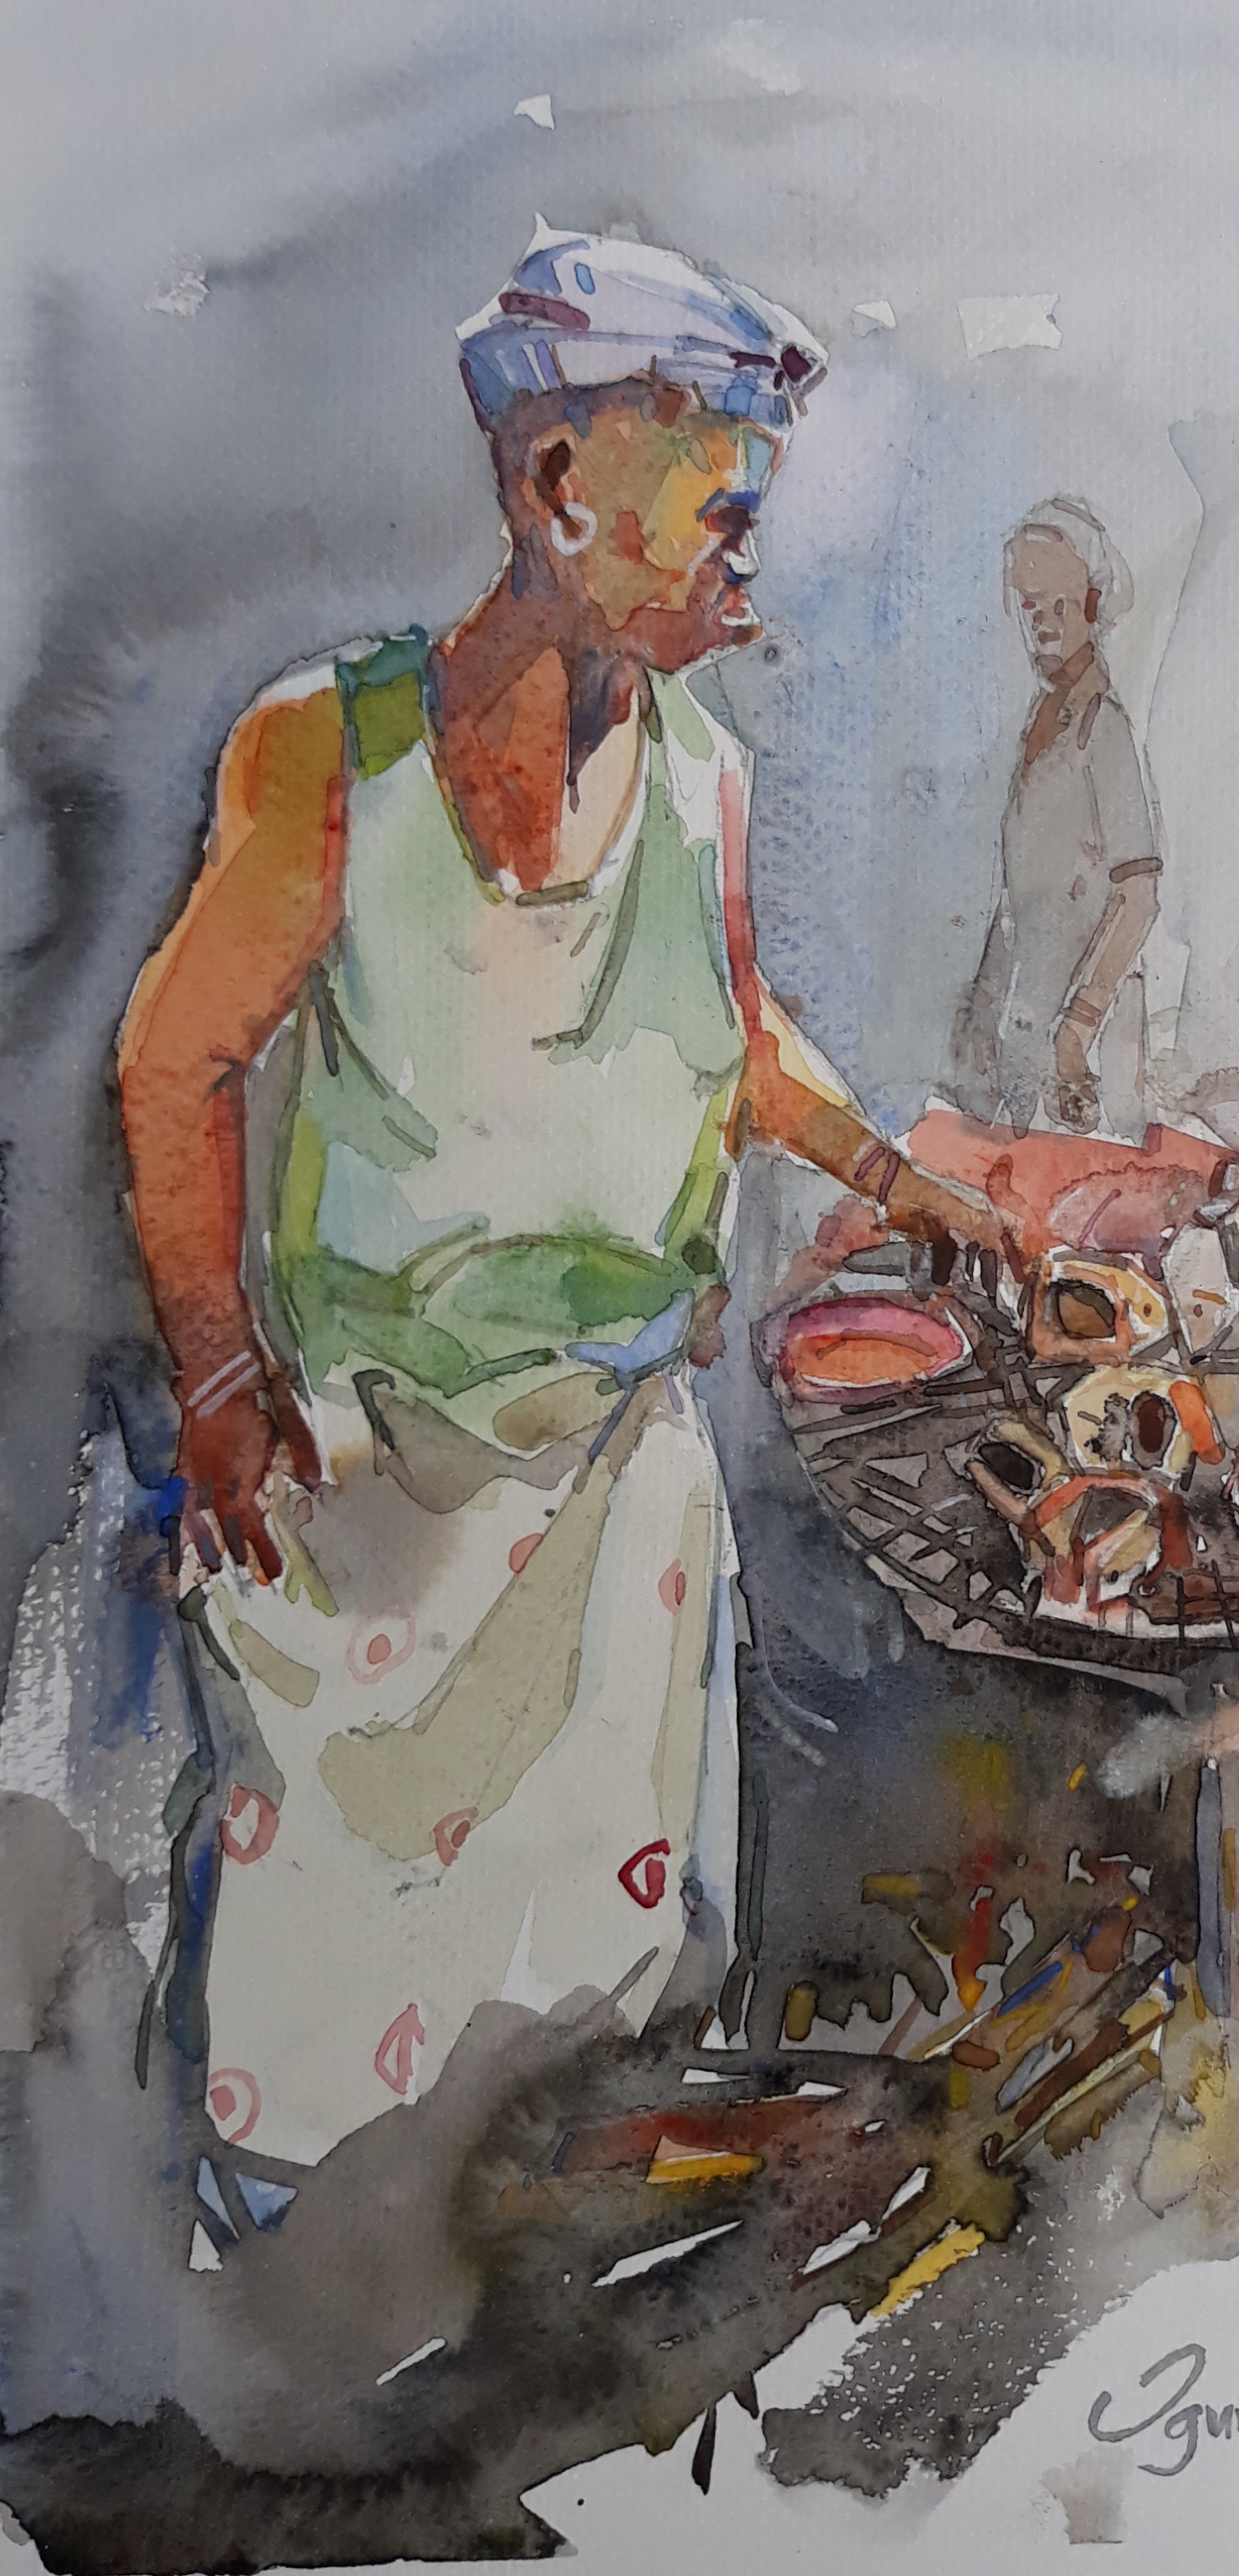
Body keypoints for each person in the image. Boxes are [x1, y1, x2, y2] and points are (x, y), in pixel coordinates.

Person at [116, 221, 1000, 2168]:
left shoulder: (703, 777)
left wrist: (898, 1176)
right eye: (723, 512)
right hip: (371, 1499)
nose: (749, 564)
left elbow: (734, 1031)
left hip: (619, 1496)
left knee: (591, 2043)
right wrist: (216, 1377)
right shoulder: (327, 753)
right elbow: (175, 1064)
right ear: (552, 479)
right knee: (332, 2069)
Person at [952, 499, 1161, 1142]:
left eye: (1059, 607)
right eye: (1030, 607)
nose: (1042, 625)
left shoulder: (1104, 728)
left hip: (1075, 1051)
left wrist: (1077, 1028)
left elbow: (1138, 895)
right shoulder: (1037, 724)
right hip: (1018, 1023)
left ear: (1093, 605)